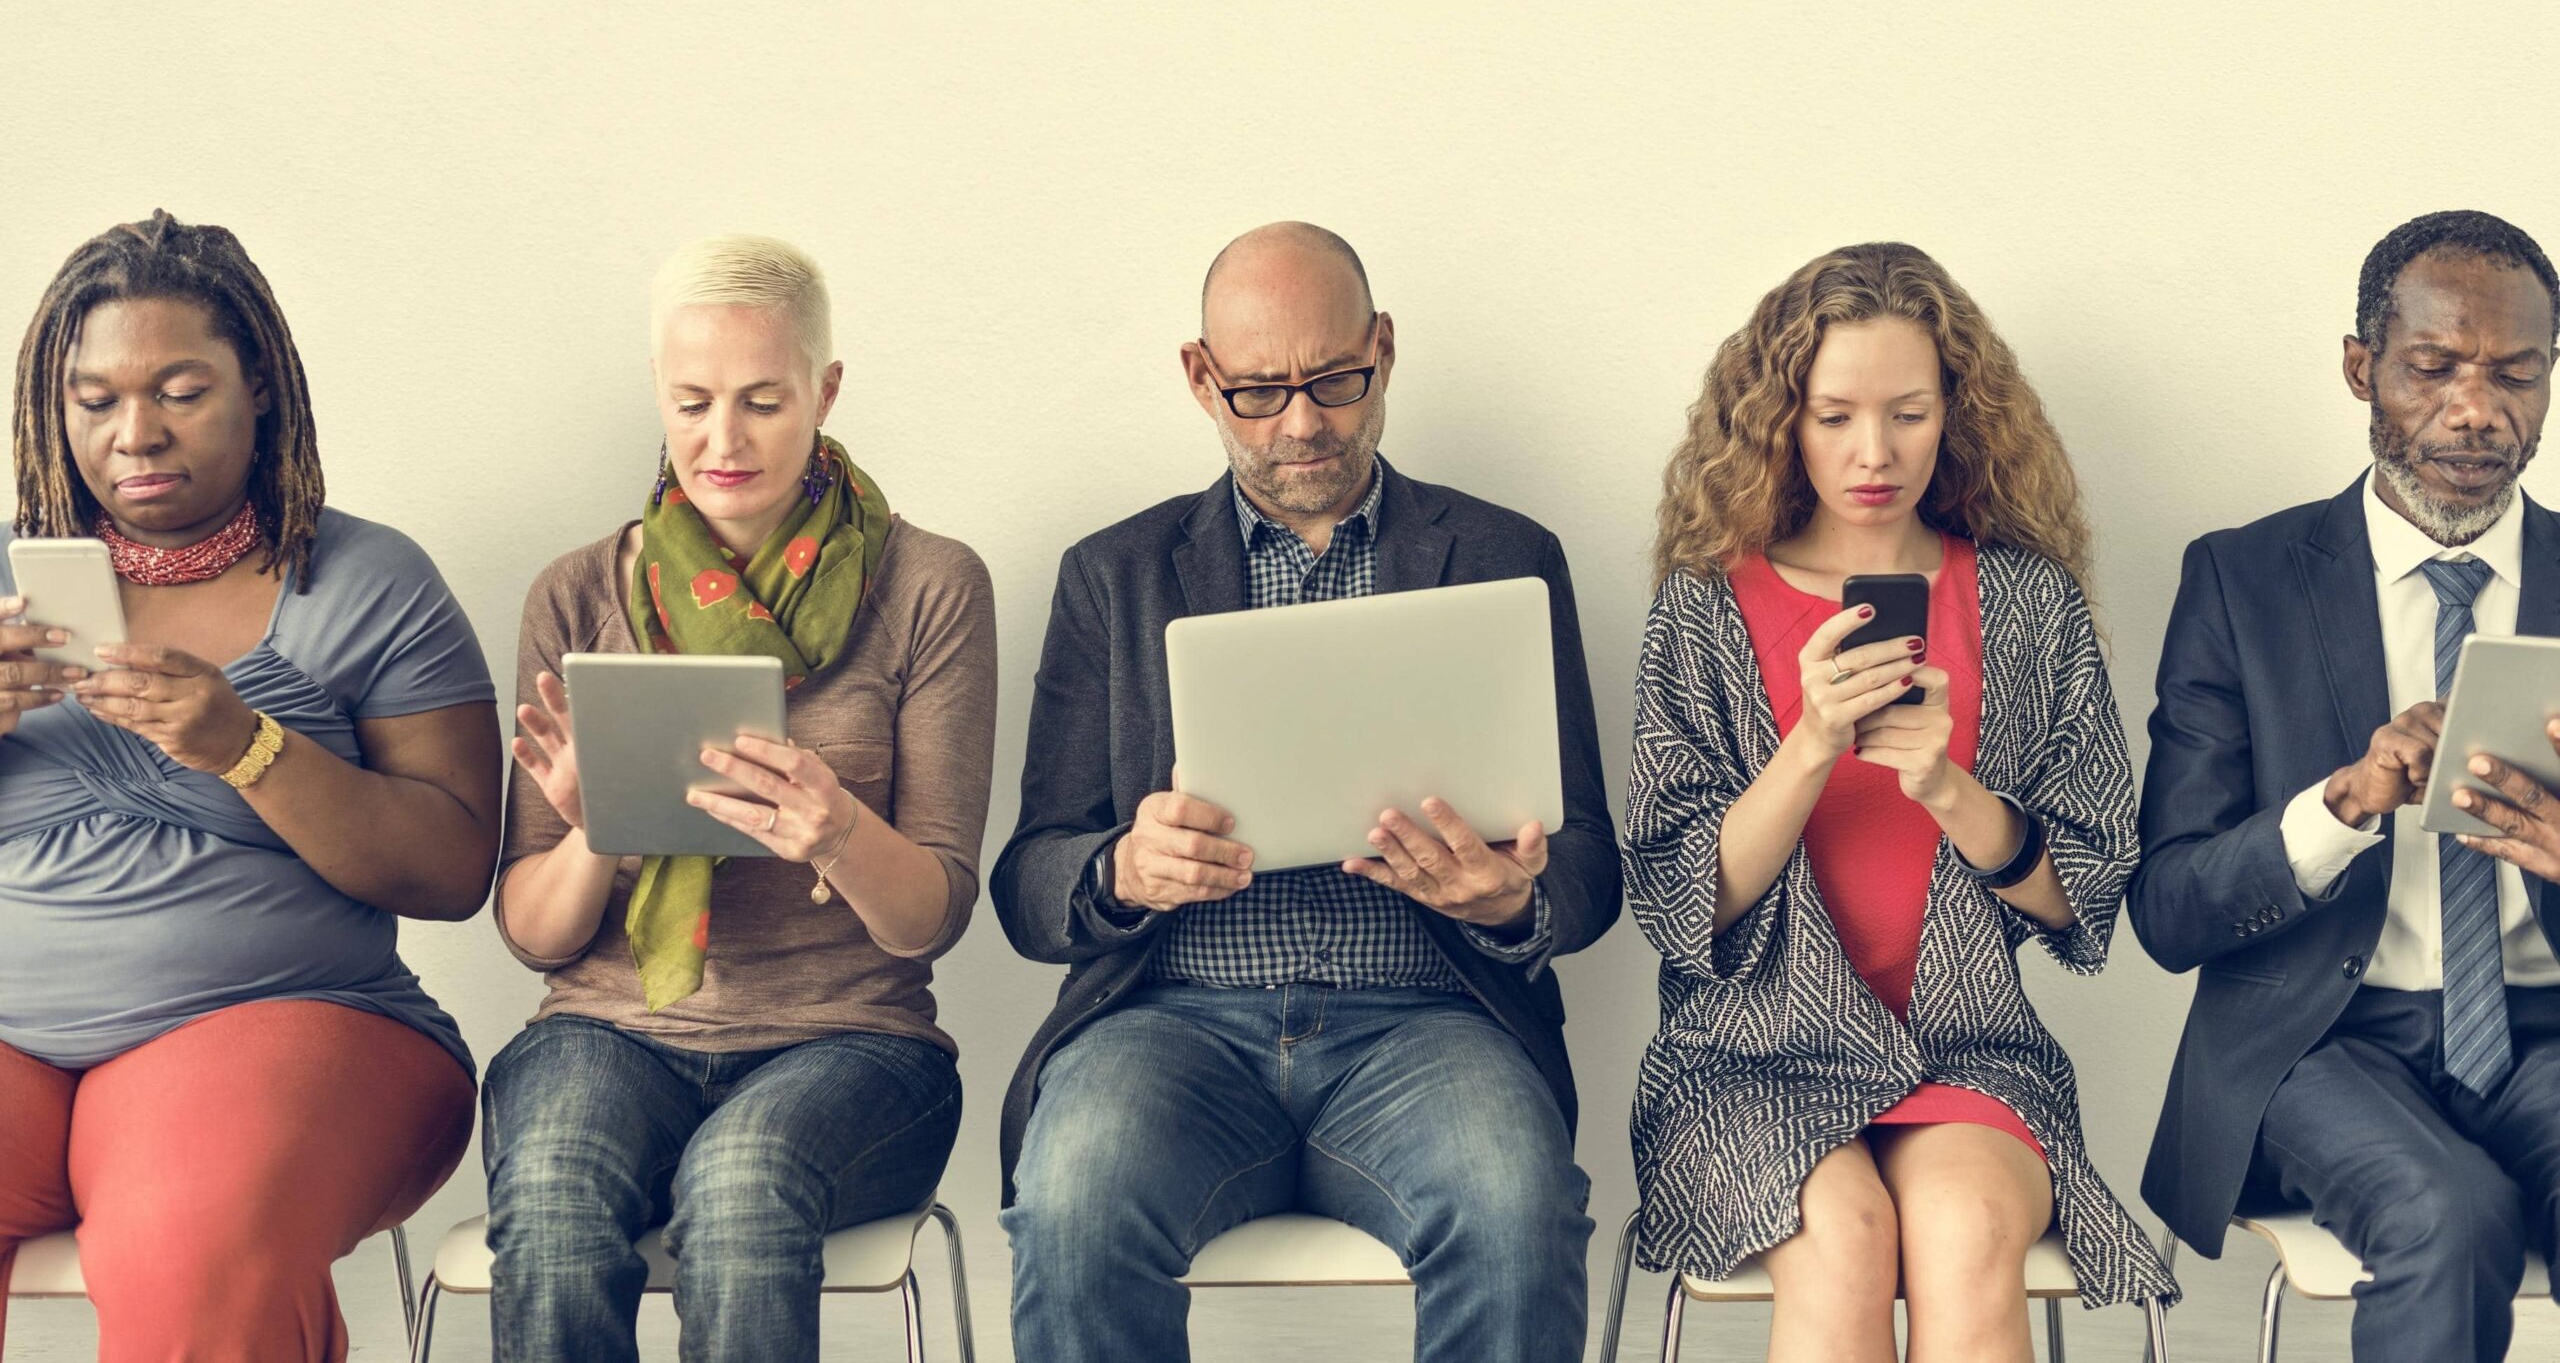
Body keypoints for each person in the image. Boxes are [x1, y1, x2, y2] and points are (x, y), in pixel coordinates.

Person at [991, 221, 1620, 1363]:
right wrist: (1120, 870)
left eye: (1335, 379)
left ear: (1383, 350)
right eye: (1257, 391)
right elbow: (1029, 879)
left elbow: (1588, 868)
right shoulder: (1113, 575)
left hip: (1432, 1024)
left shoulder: (1501, 554)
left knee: (1517, 1209)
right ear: (1199, 377)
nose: (1301, 422)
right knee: (1074, 1202)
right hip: (1167, 1025)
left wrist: (1510, 901)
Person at [1622, 242, 2175, 1363]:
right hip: (1744, 1060)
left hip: (1967, 1051)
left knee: (1967, 1229)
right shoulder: (1703, 608)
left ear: (1956, 413)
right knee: (1844, 1233)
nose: (1873, 454)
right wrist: (1812, 743)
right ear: (1780, 418)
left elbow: (2089, 893)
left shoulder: (2028, 605)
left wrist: (1951, 792)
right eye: (1833, 417)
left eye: (1908, 414)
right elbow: (1681, 903)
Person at [477, 234, 995, 1363]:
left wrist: (842, 831)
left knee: (743, 1184)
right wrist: (601, 830)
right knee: (557, 1196)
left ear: (826, 388)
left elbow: (933, 914)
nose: (723, 439)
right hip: (605, 1030)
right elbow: (529, 933)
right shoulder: (575, 594)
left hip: (853, 1044)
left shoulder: (929, 584)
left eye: (763, 400)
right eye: (693, 401)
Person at [0, 212, 501, 1362]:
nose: (136, 434)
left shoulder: (369, 582)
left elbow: (454, 867)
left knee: (192, 1244)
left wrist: (247, 746)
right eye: (94, 399)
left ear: (260, 383)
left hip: (281, 1021)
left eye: (180, 390)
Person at [2132, 209, 2560, 1362]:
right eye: (2433, 368)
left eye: (2517, 373)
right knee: (2446, 1212)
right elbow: (2168, 911)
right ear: (2360, 367)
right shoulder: (2242, 580)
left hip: (2545, 1036)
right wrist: (2340, 807)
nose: (2477, 409)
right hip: (2322, 1038)